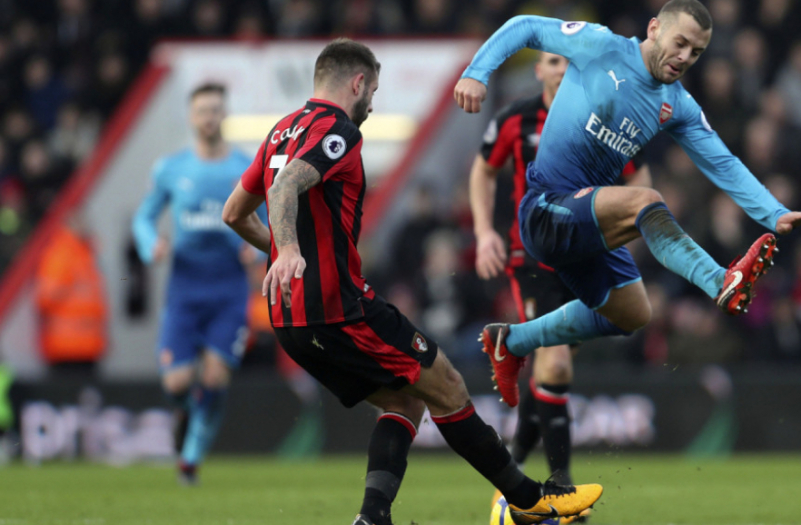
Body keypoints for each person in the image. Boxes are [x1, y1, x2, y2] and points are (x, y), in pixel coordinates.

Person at [222, 38, 602, 525]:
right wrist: (292, 251)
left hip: (290, 319)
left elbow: (234, 213)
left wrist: (285, 254)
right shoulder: (338, 129)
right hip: (339, 309)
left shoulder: (280, 130)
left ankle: (373, 518)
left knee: (405, 400)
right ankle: (529, 501)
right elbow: (284, 186)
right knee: (447, 384)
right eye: (373, 92)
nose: (371, 104)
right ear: (357, 82)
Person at [453, 0, 801, 407]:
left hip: (586, 221)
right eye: (680, 43)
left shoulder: (677, 104)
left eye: (696, 52)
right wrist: (477, 73)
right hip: (545, 208)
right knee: (647, 199)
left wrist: (774, 213)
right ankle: (720, 282)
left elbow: (722, 162)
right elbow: (526, 26)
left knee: (633, 313)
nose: (685, 57)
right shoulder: (600, 45)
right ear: (654, 29)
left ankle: (512, 342)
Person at [470, 51, 650, 493]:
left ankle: (513, 462)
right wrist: (484, 232)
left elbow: (639, 177)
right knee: (555, 361)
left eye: (570, 63)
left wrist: (627, 228)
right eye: (553, 61)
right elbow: (483, 170)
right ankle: (562, 485)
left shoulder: (604, 119)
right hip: (532, 256)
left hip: (585, 255)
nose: (562, 69)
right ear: (539, 71)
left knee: (549, 367)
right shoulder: (516, 118)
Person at [132, 83, 257, 485]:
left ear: (225, 114)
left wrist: (256, 251)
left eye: (215, 109)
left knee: (216, 378)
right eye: (202, 110)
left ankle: (189, 461)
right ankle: (186, 410)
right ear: (191, 117)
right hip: (185, 289)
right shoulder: (171, 169)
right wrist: (151, 244)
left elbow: (272, 219)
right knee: (177, 383)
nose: (209, 117)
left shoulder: (246, 167)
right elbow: (143, 217)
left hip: (228, 289)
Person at [35, 211, 108, 379]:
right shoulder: (60, 254)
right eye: (79, 221)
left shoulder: (86, 254)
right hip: (66, 348)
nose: (85, 226)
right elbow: (46, 297)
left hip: (88, 346)